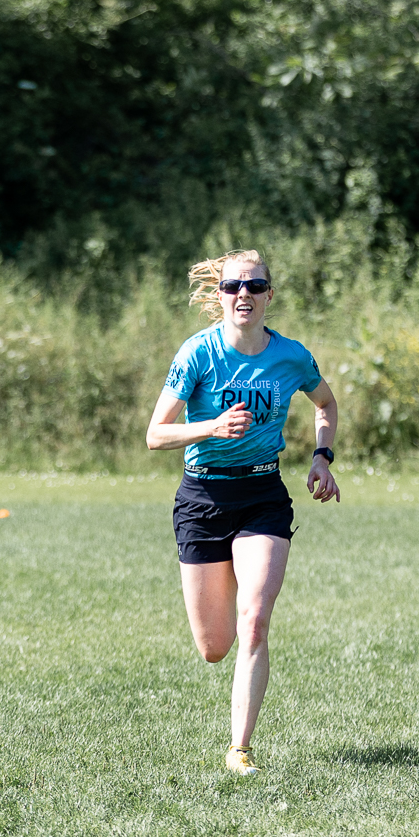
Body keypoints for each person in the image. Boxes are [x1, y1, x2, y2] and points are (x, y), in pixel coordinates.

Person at [146, 249, 339, 775]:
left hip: (262, 495)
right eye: (233, 286)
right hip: (203, 499)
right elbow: (155, 434)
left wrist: (322, 456)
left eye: (254, 286)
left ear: (269, 295)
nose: (244, 295)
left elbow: (325, 403)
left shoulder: (292, 356)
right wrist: (211, 427)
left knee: (254, 622)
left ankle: (240, 749)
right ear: (220, 295)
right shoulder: (198, 353)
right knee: (214, 647)